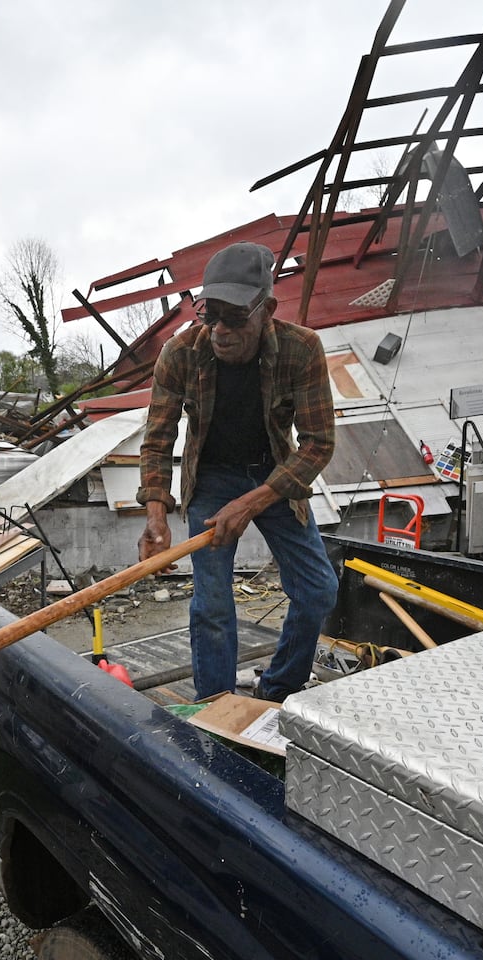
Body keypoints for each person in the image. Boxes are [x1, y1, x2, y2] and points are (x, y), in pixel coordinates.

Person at [136, 242, 339, 703]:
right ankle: (217, 708)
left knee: (318, 590)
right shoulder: (180, 353)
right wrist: (155, 514)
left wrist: (252, 502)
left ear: (266, 309)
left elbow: (318, 443)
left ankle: (278, 690)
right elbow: (158, 438)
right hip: (209, 479)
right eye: (211, 316)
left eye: (235, 318)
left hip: (274, 475)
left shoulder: (301, 349)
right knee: (211, 605)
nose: (221, 331)